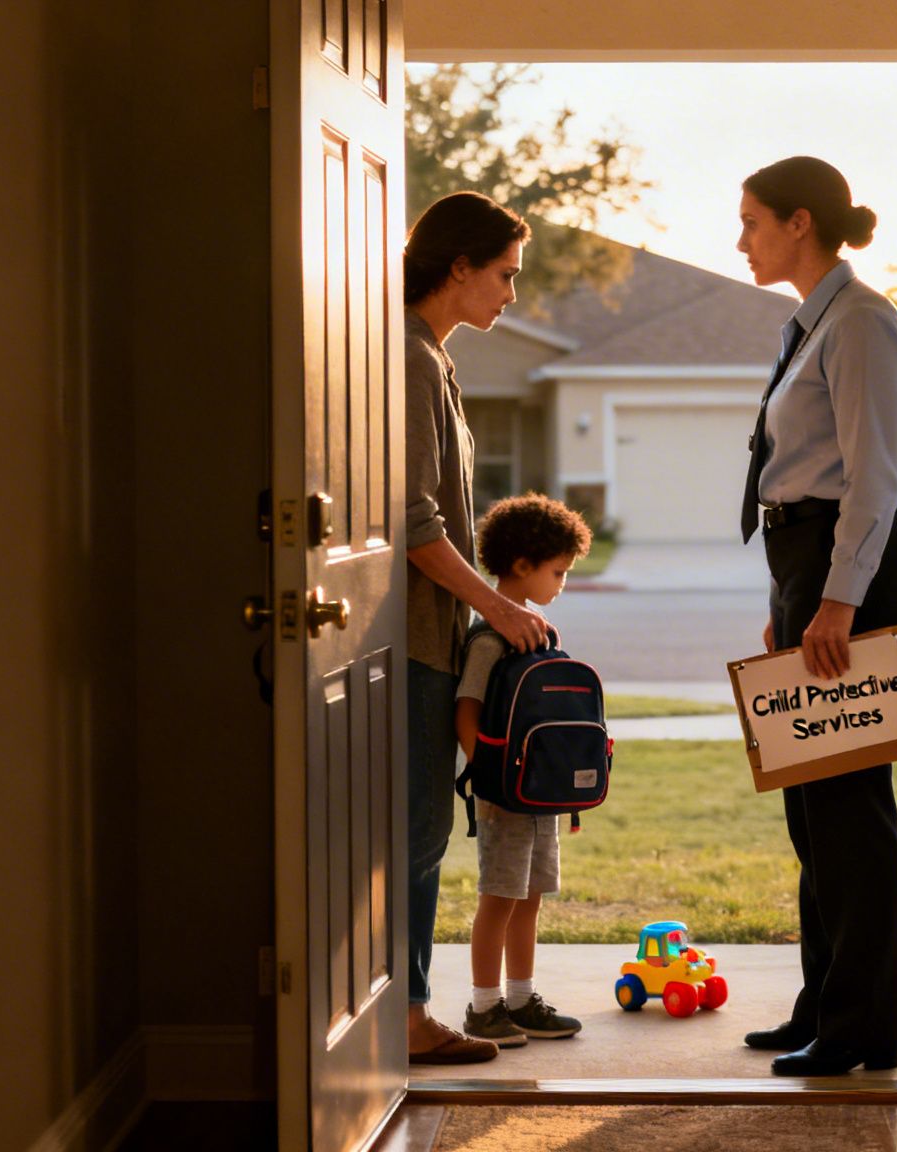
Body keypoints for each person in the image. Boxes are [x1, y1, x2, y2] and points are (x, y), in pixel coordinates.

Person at [734, 156, 897, 1076]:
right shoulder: (812, 325)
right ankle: (824, 1007)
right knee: (814, 811)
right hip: (808, 569)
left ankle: (858, 1032)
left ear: (799, 222)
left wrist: (838, 601)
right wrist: (794, 603)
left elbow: (873, 477)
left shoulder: (860, 325)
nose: (742, 240)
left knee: (850, 807)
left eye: (752, 222)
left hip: (857, 571)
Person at [402, 192, 554, 1065]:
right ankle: (408, 1017)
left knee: (420, 826)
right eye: (504, 275)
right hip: (419, 637)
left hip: (435, 636)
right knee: (420, 830)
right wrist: (498, 606)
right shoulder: (414, 361)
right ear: (459, 266)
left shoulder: (435, 359)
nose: (510, 294)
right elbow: (416, 520)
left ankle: (402, 1008)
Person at [452, 493, 593, 1049]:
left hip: (536, 795)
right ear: (521, 566)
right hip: (504, 794)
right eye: (557, 572)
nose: (561, 583)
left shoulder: (537, 630)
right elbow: (467, 709)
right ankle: (484, 1006)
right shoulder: (490, 637)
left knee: (529, 898)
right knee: (500, 898)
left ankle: (520, 998)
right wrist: (488, 778)